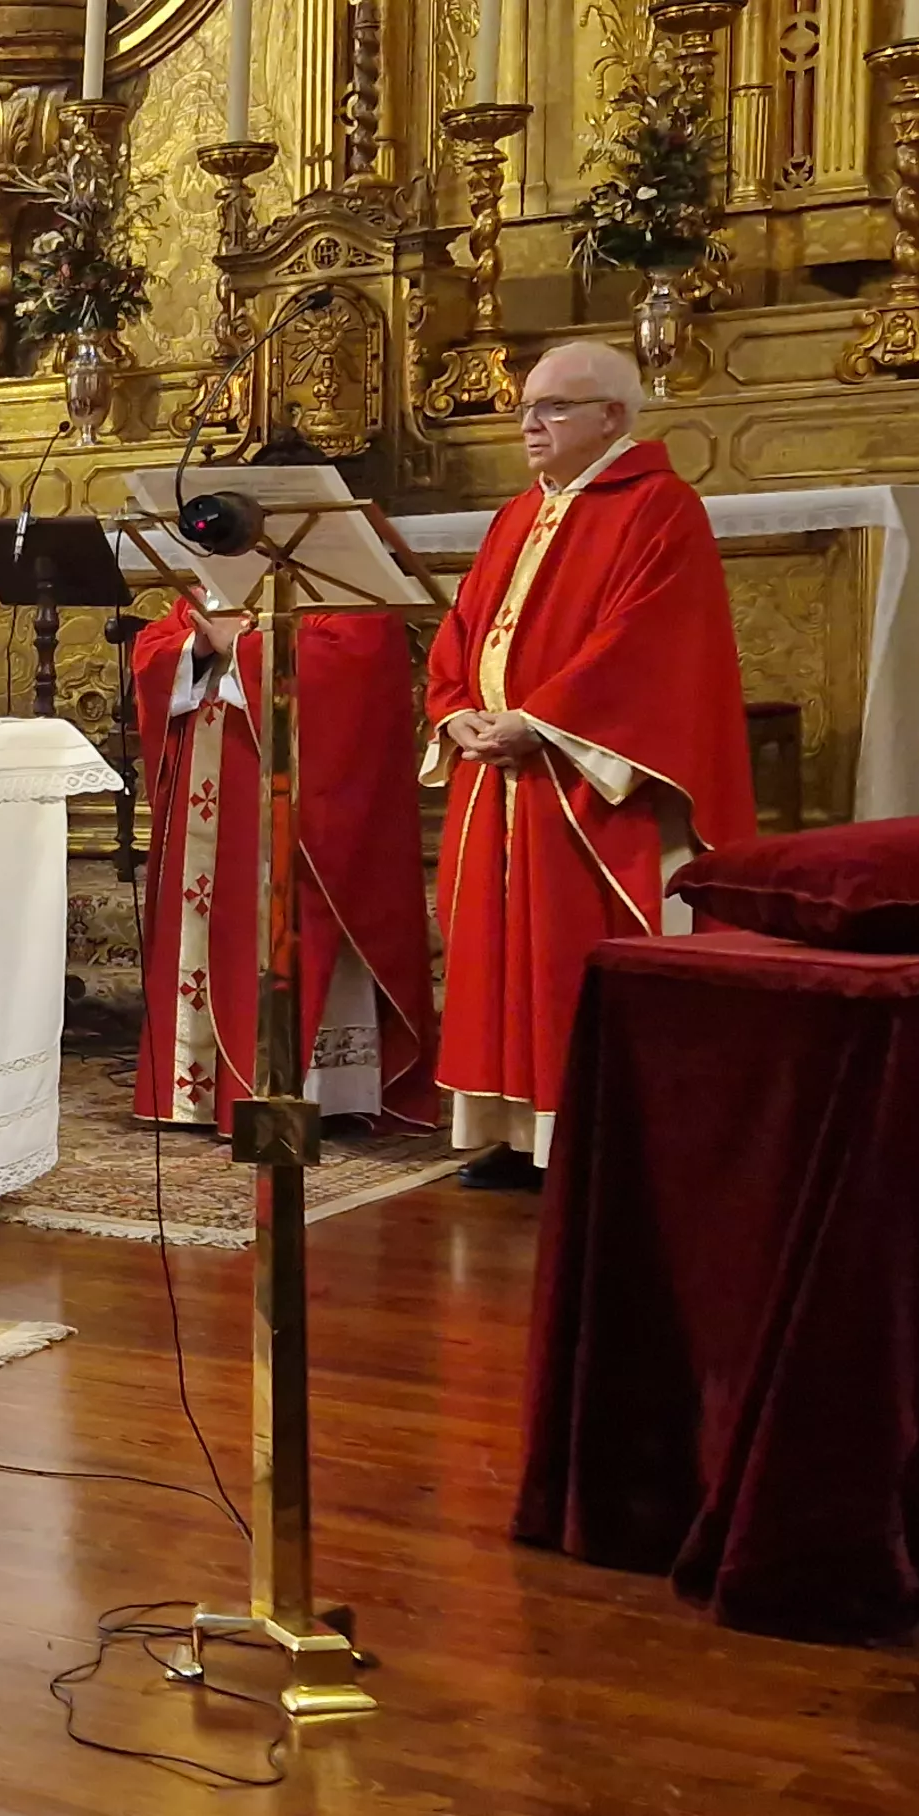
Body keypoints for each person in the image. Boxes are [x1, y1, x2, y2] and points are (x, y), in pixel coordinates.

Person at [423, 341, 756, 1185]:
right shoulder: (514, 515)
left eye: (555, 407)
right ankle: (511, 1129)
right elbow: (464, 629)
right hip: (499, 770)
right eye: (528, 407)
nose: (532, 423)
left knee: (565, 950)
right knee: (498, 955)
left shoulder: (658, 506)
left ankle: (583, 1132)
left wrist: (538, 721)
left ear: (613, 415)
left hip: (583, 776)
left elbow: (644, 644)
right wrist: (459, 710)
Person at [127, 592, 441, 1132]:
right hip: (211, 788)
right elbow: (160, 645)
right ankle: (196, 1092)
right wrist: (197, 649)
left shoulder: (345, 583)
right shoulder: (223, 579)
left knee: (292, 920)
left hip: (298, 810)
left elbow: (351, 665)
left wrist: (247, 649)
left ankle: (312, 1092)